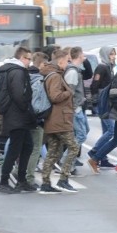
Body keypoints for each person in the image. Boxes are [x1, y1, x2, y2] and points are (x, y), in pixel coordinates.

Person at [0, 47, 37, 194]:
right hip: (18, 116)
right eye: (28, 58)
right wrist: (26, 107)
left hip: (17, 116)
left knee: (27, 146)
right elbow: (19, 95)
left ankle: (21, 180)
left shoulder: (12, 70)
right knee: (15, 149)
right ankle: (3, 181)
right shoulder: (17, 72)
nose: (30, 61)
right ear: (21, 58)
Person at [39, 50, 79, 194]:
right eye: (67, 61)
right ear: (61, 61)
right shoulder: (55, 76)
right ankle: (63, 179)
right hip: (60, 120)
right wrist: (69, 92)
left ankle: (45, 183)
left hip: (54, 120)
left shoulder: (50, 74)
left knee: (53, 152)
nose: (68, 64)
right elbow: (55, 96)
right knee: (74, 147)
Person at [65, 47, 92, 170]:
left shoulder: (76, 70)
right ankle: (66, 161)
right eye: (83, 55)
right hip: (75, 109)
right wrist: (74, 108)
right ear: (80, 56)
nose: (84, 57)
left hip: (78, 107)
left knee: (84, 131)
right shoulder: (72, 72)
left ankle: (68, 160)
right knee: (81, 135)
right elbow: (69, 93)